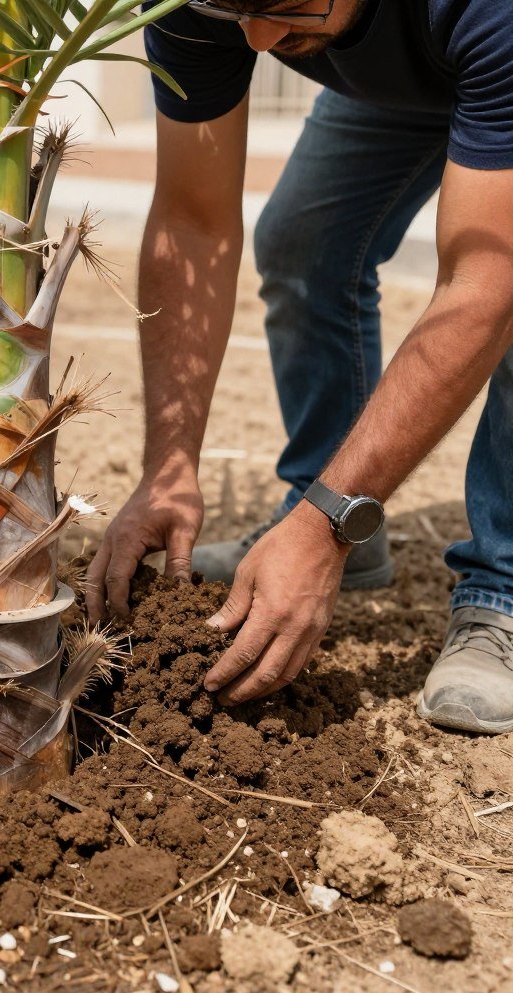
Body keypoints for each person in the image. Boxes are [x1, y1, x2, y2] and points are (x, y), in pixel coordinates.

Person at [87, 0, 513, 733]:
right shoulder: (201, 6)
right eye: (234, 7)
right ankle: (340, 520)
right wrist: (169, 466)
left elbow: (484, 285)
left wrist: (327, 525)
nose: (255, 36)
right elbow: (191, 217)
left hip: (489, 51)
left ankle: (501, 592)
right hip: (421, 72)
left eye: (286, 5)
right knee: (305, 243)